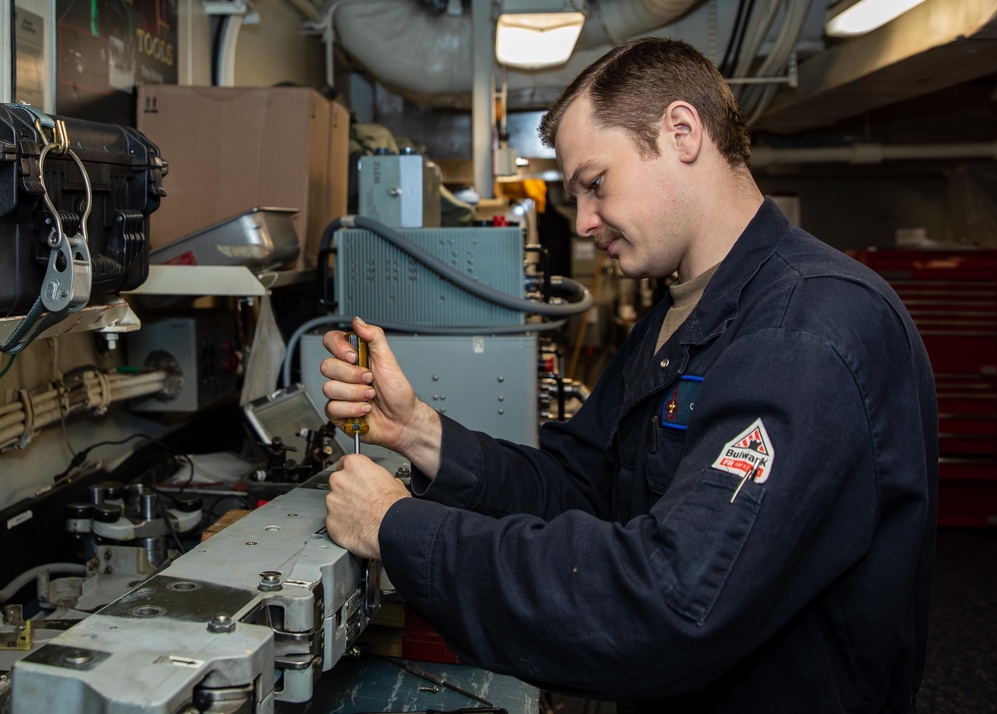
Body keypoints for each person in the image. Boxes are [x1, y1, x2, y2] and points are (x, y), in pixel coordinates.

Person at [320, 37, 938, 713]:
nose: (583, 222)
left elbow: (670, 603)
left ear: (681, 132)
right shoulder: (679, 314)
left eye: (596, 183)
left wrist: (396, 527)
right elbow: (584, 486)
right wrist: (420, 432)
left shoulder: (808, 331)